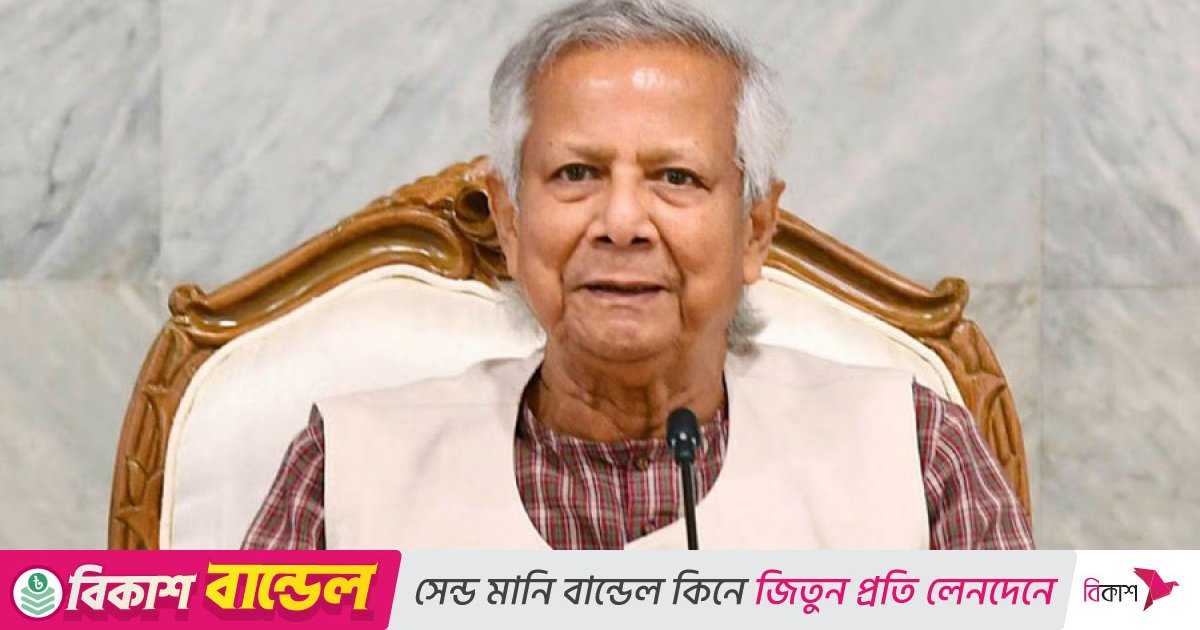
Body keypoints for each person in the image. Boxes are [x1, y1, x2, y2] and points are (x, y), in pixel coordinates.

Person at [243, 0, 1032, 550]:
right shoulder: (344, 468)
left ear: (756, 229)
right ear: (509, 222)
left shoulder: (915, 450)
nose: (622, 221)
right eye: (577, 173)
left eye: (676, 178)